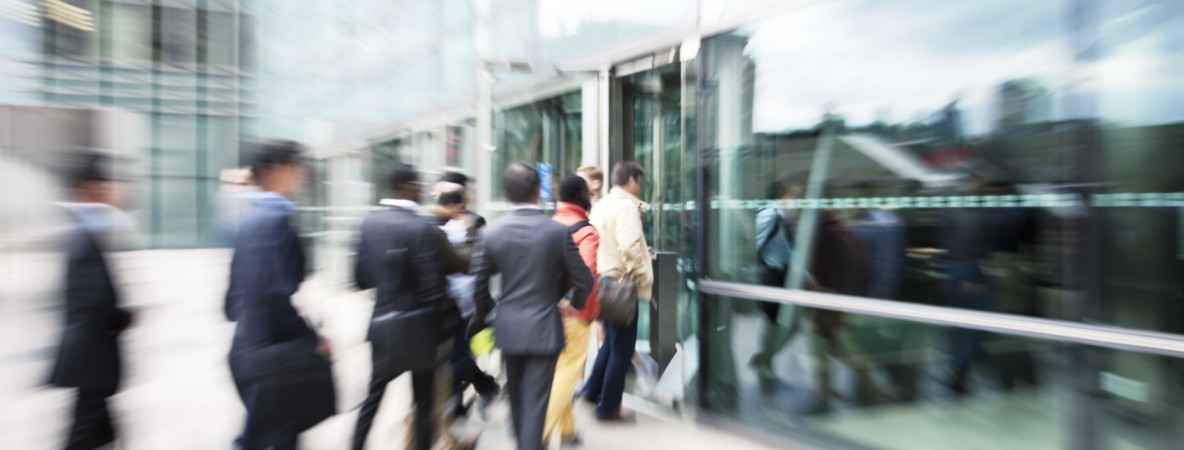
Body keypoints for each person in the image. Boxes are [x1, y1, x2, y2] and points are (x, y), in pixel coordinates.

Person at [471, 162, 594, 450]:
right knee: (536, 404)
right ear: (538, 191)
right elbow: (585, 281)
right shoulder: (556, 233)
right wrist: (571, 304)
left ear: (506, 192)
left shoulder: (491, 233)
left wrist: (490, 312)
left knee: (518, 401)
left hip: (508, 328)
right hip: (545, 327)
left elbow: (478, 288)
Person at [225, 140, 333, 450]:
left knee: (272, 436)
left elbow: (232, 302)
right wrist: (314, 340)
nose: (302, 175)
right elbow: (277, 296)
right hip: (272, 357)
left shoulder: (246, 218)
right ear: (275, 171)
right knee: (269, 437)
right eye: (296, 167)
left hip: (249, 348)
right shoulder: (274, 221)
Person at [352, 163, 467, 450]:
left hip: (381, 324)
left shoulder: (369, 223)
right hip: (419, 327)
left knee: (372, 400)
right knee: (424, 400)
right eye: (417, 185)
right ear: (408, 186)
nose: (420, 191)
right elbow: (432, 288)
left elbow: (360, 279)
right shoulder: (420, 227)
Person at [49, 150, 135, 450]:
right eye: (106, 183)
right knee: (84, 436)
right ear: (89, 187)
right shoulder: (83, 235)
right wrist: (122, 316)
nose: (113, 189)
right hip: (91, 360)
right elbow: (94, 301)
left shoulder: (84, 232)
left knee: (100, 434)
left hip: (90, 360)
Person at [581, 162, 654, 422]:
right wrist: (644, 278)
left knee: (612, 342)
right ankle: (608, 407)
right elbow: (630, 246)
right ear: (632, 181)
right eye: (639, 182)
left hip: (602, 281)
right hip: (620, 285)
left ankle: (591, 392)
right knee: (623, 347)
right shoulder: (625, 207)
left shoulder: (601, 206)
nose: (640, 187)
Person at [542, 175, 601, 446]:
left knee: (559, 368)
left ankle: (567, 430)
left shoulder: (549, 224)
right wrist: (575, 304)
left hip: (548, 310)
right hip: (576, 313)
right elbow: (587, 274)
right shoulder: (586, 231)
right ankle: (539, 433)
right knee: (568, 371)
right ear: (580, 195)